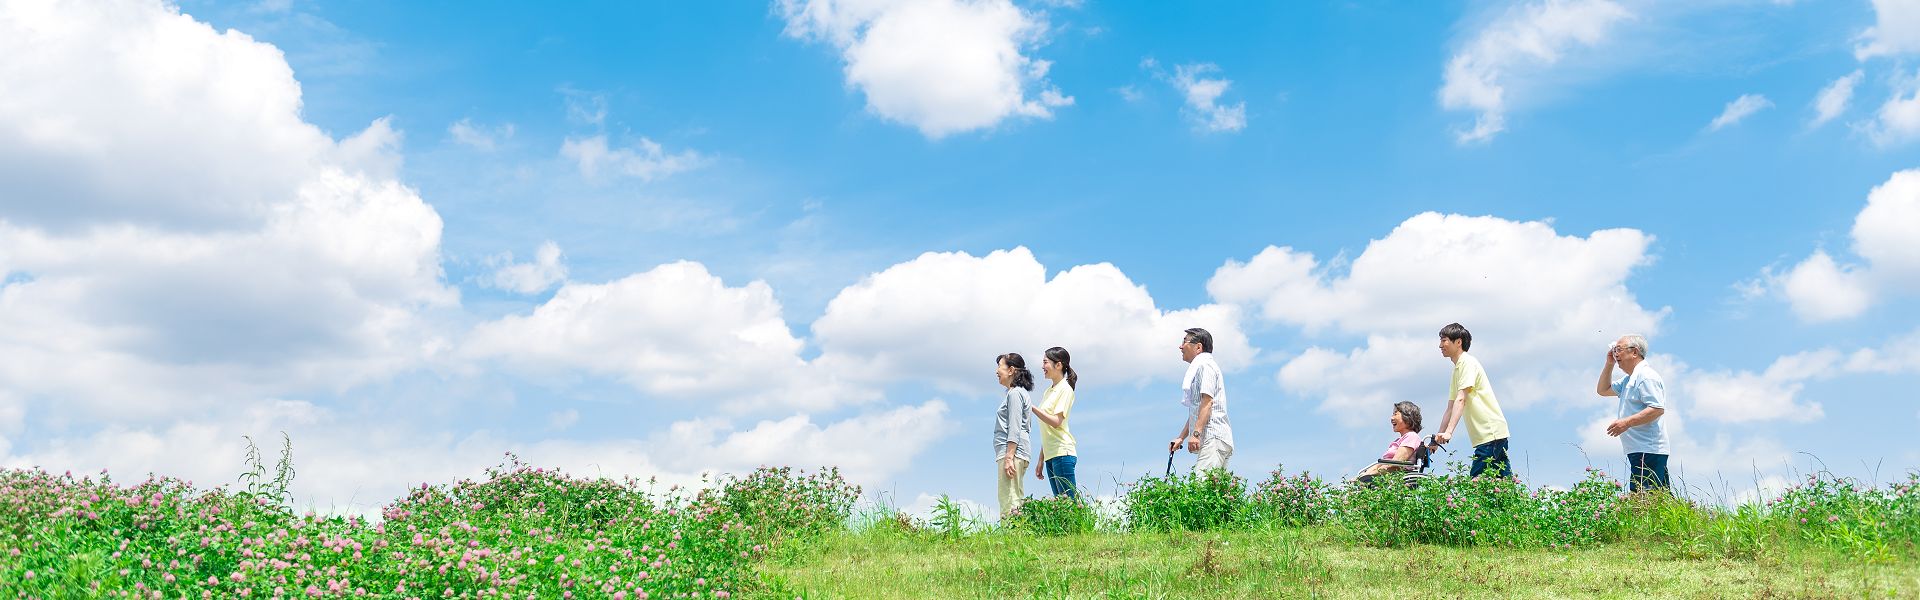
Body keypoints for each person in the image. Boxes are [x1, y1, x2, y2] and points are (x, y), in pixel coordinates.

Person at [1431, 323, 1514, 479]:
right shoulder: (1457, 369)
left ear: (1458, 342)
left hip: (1490, 433)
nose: (1440, 345)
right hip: (1488, 435)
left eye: (1444, 340)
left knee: (1476, 483)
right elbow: (1450, 407)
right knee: (1502, 484)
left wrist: (1449, 432)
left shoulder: (1467, 363)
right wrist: (1438, 438)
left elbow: (1461, 399)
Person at [1596, 333, 1671, 493]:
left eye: (1619, 349)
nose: (1615, 354)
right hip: (1640, 449)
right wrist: (1609, 364)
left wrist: (1626, 422)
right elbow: (1603, 390)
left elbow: (1657, 408)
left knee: (1644, 499)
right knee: (1657, 498)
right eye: (1614, 350)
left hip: (1648, 449)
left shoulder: (1646, 376)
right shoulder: (1629, 379)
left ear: (1634, 352)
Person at [1168, 328, 1233, 472]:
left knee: (1201, 487)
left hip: (1213, 437)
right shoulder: (1200, 367)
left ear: (1198, 347)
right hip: (1215, 439)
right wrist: (1181, 438)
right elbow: (1198, 409)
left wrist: (1195, 434)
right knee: (1213, 491)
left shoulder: (1205, 366)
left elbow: (1207, 402)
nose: (1180, 346)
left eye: (1184, 341)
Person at [1032, 346, 1079, 498]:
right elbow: (1047, 430)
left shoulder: (1065, 389)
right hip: (1050, 455)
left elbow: (1056, 422)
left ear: (1058, 365)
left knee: (1069, 504)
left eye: (1045, 362)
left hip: (1063, 452)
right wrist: (1040, 460)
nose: (1042, 366)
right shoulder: (1048, 391)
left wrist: (1031, 407)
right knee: (1060, 507)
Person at [993, 353, 1035, 518]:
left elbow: (1015, 426)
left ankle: (1011, 536)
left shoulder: (1015, 393)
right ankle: (1016, 535)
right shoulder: (1017, 393)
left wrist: (1009, 456)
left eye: (999, 366)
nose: (997, 371)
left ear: (1011, 370)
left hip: (1012, 452)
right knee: (1014, 496)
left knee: (1009, 498)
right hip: (1017, 452)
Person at [1356, 401, 1424, 485]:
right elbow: (1381, 463)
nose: (1391, 418)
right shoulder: (1398, 440)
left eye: (1395, 414)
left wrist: (1369, 475)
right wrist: (1363, 475)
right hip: (1385, 476)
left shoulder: (1411, 437)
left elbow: (1395, 464)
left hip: (1395, 478)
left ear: (1408, 417)